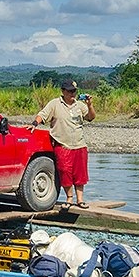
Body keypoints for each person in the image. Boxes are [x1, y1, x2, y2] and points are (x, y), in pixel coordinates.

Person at [32, 79, 96, 207]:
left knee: (80, 173)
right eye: (69, 91)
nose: (72, 94)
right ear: (63, 91)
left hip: (79, 145)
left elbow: (91, 117)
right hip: (62, 145)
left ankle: (80, 200)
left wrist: (89, 105)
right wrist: (34, 124)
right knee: (64, 171)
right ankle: (69, 199)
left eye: (74, 91)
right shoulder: (55, 104)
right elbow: (43, 115)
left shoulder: (80, 106)